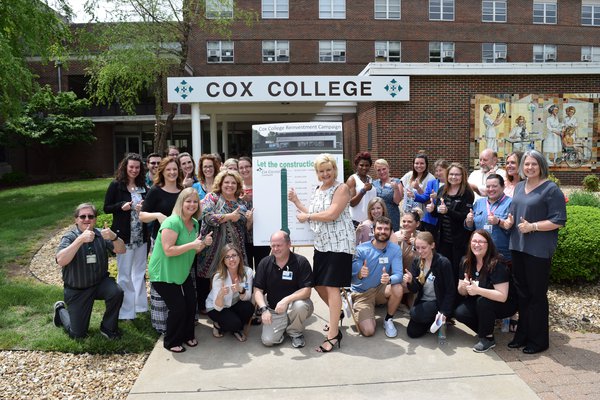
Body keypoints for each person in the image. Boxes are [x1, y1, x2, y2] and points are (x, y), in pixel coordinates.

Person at [288, 153, 355, 353]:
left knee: (333, 287)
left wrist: (308, 215)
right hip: (322, 244)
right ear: (317, 174)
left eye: (329, 169)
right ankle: (338, 314)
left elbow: (332, 214)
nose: (326, 173)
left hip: (339, 245)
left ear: (334, 169)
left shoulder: (341, 188)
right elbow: (315, 214)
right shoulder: (319, 189)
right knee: (318, 284)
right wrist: (296, 202)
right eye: (321, 171)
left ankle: (333, 335)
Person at [505, 150, 566, 354]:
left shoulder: (551, 189)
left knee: (536, 295)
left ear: (541, 166)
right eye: (526, 164)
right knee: (522, 294)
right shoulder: (520, 186)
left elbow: (558, 221)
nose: (529, 167)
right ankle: (522, 334)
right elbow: (515, 212)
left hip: (538, 250)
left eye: (534, 164)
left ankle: (539, 340)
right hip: (518, 246)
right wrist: (509, 221)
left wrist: (533, 227)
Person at [148, 188, 212, 353]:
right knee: (178, 308)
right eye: (188, 201)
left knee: (191, 304)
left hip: (182, 272)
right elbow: (169, 250)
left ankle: (187, 335)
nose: (192, 204)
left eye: (195, 201)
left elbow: (193, 250)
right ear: (181, 203)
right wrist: (193, 245)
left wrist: (203, 243)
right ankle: (171, 341)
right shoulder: (172, 222)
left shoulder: (195, 223)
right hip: (164, 273)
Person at [53, 203, 125, 339]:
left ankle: (108, 328)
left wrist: (114, 237)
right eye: (82, 216)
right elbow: (61, 260)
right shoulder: (70, 237)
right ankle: (60, 311)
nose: (87, 219)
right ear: (76, 219)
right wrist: (80, 240)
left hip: (99, 284)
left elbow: (121, 250)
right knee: (78, 334)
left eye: (91, 216)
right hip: (77, 289)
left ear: (95, 219)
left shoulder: (100, 235)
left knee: (117, 292)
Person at [198, 170, 252, 314]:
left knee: (235, 278)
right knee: (214, 277)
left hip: (235, 247)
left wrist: (249, 220)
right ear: (220, 184)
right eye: (226, 182)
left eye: (233, 183)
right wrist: (229, 216)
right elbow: (207, 216)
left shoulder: (241, 203)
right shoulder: (213, 197)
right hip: (214, 247)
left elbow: (245, 227)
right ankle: (213, 310)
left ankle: (232, 307)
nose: (230, 185)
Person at [454, 230, 517, 353]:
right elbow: (461, 291)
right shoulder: (465, 261)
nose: (477, 245)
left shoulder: (497, 263)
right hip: (480, 301)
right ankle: (485, 327)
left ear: (489, 244)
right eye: (474, 241)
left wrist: (478, 290)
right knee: (460, 312)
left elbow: (502, 296)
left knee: (483, 302)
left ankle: (487, 338)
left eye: (481, 242)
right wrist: (464, 287)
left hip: (505, 303)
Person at [140, 156, 183, 333]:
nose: (172, 172)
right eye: (169, 170)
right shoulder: (156, 191)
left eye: (175, 169)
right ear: (162, 172)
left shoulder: (183, 191)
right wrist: (157, 215)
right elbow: (142, 216)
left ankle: (183, 317)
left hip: (182, 241)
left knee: (180, 278)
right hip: (160, 242)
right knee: (162, 279)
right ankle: (161, 323)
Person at [103, 153, 149, 320]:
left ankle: (141, 306)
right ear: (125, 167)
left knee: (139, 272)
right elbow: (106, 207)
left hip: (141, 236)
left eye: (137, 167)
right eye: (131, 167)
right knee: (124, 274)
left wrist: (144, 207)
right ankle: (125, 311)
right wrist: (121, 206)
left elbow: (148, 208)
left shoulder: (143, 186)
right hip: (123, 237)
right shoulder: (116, 185)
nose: (134, 170)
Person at [254, 231, 314, 348]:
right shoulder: (264, 263)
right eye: (273, 245)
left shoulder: (301, 262)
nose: (275, 249)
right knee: (268, 341)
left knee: (300, 306)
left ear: (289, 244)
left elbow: (307, 291)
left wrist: (286, 300)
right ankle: (285, 325)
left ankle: (295, 332)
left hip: (295, 306)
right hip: (274, 310)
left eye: (279, 245)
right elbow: (257, 290)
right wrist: (264, 309)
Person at [351, 216, 403, 337]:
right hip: (362, 293)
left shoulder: (395, 249)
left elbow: (399, 274)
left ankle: (388, 319)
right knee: (368, 331)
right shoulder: (361, 249)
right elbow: (352, 279)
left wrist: (389, 279)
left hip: (381, 288)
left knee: (398, 287)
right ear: (373, 230)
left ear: (390, 232)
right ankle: (355, 305)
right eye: (379, 228)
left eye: (386, 229)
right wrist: (359, 273)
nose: (382, 232)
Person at [428, 163, 474, 285]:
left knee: (456, 270)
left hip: (459, 240)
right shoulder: (442, 190)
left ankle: (457, 299)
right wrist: (432, 209)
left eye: (457, 174)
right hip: (443, 239)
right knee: (443, 270)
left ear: (463, 176)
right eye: (451, 174)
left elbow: (465, 217)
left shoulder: (467, 193)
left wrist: (448, 211)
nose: (454, 177)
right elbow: (437, 215)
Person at [403, 232, 455, 339]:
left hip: (438, 302)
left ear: (432, 245)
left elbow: (450, 291)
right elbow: (414, 289)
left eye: (423, 247)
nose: (420, 251)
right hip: (424, 300)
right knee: (412, 333)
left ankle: (442, 318)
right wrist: (410, 281)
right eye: (417, 248)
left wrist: (444, 312)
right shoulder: (417, 261)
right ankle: (432, 321)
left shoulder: (443, 263)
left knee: (414, 313)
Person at [205, 244, 254, 342]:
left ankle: (235, 328)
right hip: (216, 307)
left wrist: (241, 290)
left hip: (233, 303)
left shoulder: (247, 272)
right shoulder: (219, 277)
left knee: (249, 308)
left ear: (239, 256)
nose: (231, 259)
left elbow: (247, 296)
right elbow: (218, 307)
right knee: (234, 323)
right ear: (223, 260)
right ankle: (218, 324)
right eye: (227, 257)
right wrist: (220, 295)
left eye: (234, 255)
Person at [464, 174, 512, 262]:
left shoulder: (510, 203)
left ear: (503, 187)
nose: (490, 189)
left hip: (501, 256)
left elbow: (513, 229)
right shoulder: (479, 203)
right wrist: (469, 221)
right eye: (488, 186)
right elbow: (470, 227)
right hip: (480, 255)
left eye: (494, 186)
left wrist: (498, 222)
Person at [414, 159, 448, 237]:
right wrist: (414, 196)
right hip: (431, 219)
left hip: (445, 219)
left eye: (440, 170)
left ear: (447, 170)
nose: (438, 173)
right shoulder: (432, 183)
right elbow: (425, 198)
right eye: (436, 171)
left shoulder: (451, 184)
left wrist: (438, 196)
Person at [346, 152, 376, 228]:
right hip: (355, 222)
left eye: (367, 165)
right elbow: (351, 203)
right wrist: (363, 190)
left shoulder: (370, 179)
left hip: (369, 222)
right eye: (361, 165)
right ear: (356, 165)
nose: (364, 168)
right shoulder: (352, 179)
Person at [372, 158, 402, 231]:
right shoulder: (374, 183)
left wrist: (396, 188)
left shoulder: (397, 182)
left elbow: (397, 201)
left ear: (388, 168)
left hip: (392, 216)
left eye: (384, 169)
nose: (382, 172)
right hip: (378, 216)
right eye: (378, 170)